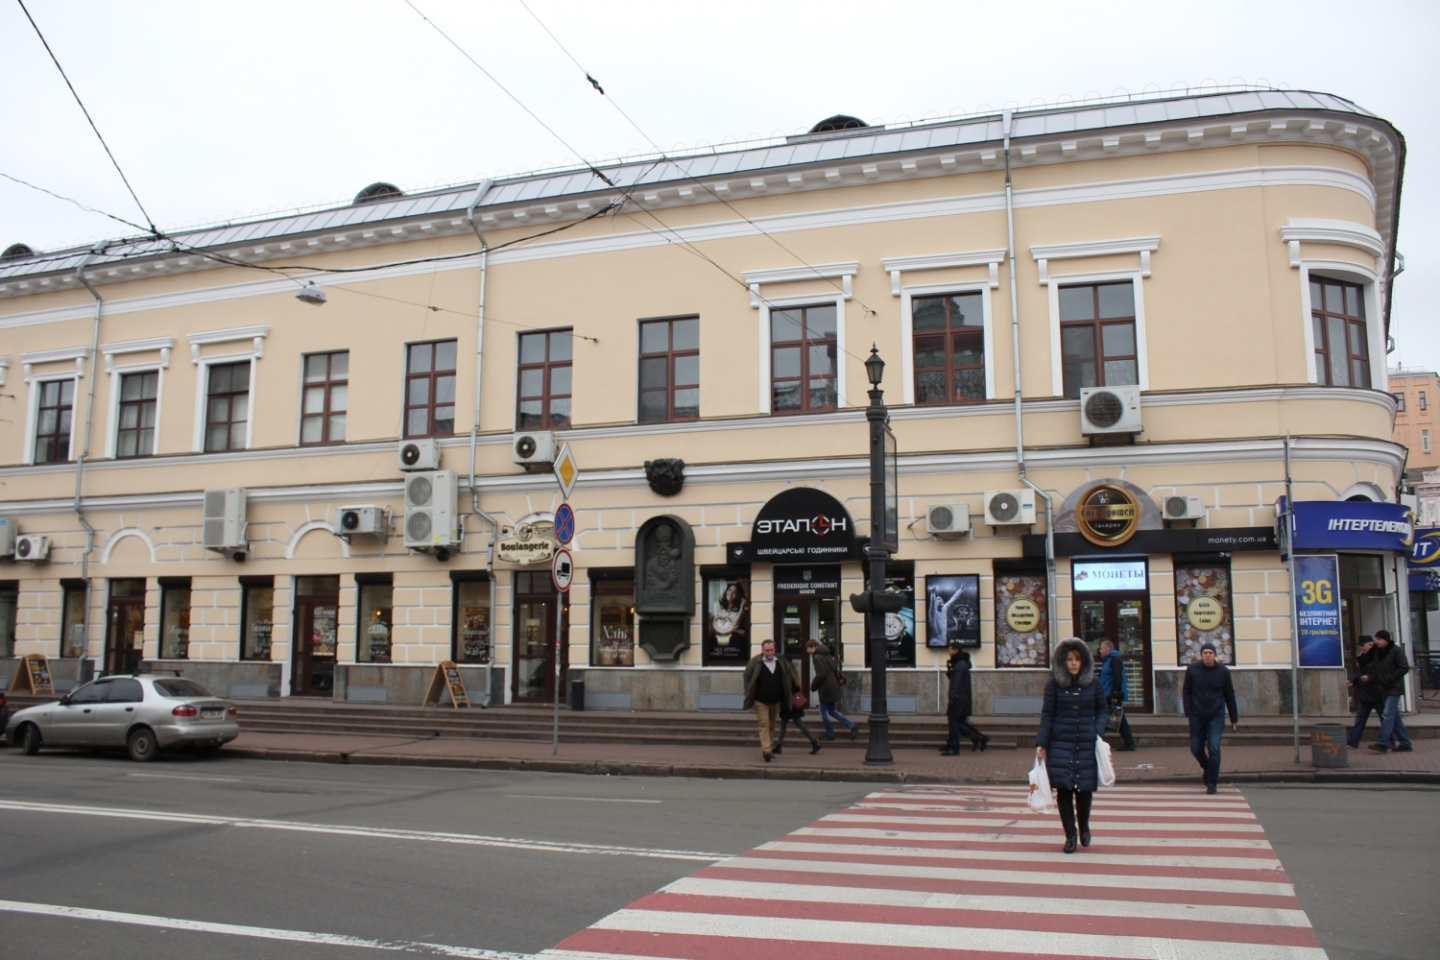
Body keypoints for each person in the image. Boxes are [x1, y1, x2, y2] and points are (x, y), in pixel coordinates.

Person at [1035, 637, 1108, 854]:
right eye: (1069, 659)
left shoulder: (1093, 684)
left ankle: (1083, 824)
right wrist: (1042, 743)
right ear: (1063, 662)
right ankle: (1070, 835)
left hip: (1086, 742)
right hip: (1061, 743)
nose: (1074, 663)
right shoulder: (1054, 685)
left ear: (1084, 661)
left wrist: (1097, 730)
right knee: (1064, 791)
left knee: (1084, 790)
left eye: (1077, 659)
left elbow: (1103, 710)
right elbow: (1047, 715)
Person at [1183, 642, 1240, 794]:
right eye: (1205, 653)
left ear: (1215, 655)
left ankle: (1212, 782)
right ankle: (1209, 769)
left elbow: (1229, 695)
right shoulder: (1193, 670)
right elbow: (1186, 691)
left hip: (1216, 714)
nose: (1208, 655)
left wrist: (1234, 717)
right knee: (1196, 748)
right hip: (1197, 715)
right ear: (1201, 655)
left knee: (1214, 747)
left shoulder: (1223, 672)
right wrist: (1188, 711)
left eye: (1210, 653)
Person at [1348, 630, 1413, 752]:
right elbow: (1372, 669)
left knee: (1387, 715)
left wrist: (1389, 678)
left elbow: (1403, 667)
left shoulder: (1395, 650)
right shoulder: (1379, 653)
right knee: (1395, 718)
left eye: (1379, 639)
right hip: (1383, 688)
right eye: (1376, 639)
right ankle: (1405, 742)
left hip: (1393, 688)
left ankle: (1383, 743)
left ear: (1386, 640)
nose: (1376, 641)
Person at [743, 639, 794, 762]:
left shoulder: (781, 660)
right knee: (764, 724)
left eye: (771, 650)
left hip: (776, 700)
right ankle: (766, 749)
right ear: (762, 650)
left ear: (774, 649)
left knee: (772, 725)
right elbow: (747, 676)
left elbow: (788, 675)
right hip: (760, 700)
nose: (770, 652)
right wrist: (749, 692)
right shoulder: (755, 661)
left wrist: (787, 692)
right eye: (767, 650)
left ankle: (769, 747)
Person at [806, 638, 858, 741]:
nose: (807, 651)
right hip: (834, 686)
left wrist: (813, 686)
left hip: (826, 688)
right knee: (832, 711)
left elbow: (821, 674)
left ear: (813, 647)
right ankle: (851, 725)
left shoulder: (817, 657)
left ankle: (830, 733)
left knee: (823, 712)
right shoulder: (827, 655)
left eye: (808, 648)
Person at [940, 643, 988, 754]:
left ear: (955, 651)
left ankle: (956, 746)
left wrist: (953, 698)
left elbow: (956, 683)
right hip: (961, 697)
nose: (949, 652)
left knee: (954, 722)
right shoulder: (960, 663)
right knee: (957, 722)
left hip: (958, 698)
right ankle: (976, 738)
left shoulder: (960, 665)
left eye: (950, 650)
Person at [775, 658, 821, 756]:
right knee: (792, 723)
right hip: (794, 703)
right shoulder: (794, 674)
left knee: (789, 724)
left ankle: (814, 742)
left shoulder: (786, 675)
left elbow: (785, 690)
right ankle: (814, 742)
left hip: (789, 704)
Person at [1097, 639, 1137, 751]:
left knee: (1106, 716)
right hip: (1108, 693)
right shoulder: (1108, 660)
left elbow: (1117, 678)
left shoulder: (1114, 660)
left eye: (1101, 648)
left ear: (1107, 649)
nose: (1099, 651)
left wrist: (1115, 694)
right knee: (1118, 718)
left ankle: (1095, 740)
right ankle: (1129, 742)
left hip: (1111, 694)